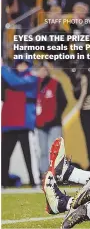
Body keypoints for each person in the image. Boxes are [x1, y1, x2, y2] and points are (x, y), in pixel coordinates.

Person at [2, 58, 37, 187]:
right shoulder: (7, 78)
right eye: (19, 64)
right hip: (9, 124)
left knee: (29, 156)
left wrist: (2, 67)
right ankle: (3, 183)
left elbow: (16, 83)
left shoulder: (31, 79)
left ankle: (34, 182)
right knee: (4, 155)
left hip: (24, 123)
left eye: (24, 64)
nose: (21, 66)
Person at [36, 63, 67, 176]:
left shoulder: (55, 84)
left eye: (44, 70)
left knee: (55, 151)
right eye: (40, 70)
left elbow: (64, 101)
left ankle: (57, 174)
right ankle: (44, 174)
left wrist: (56, 116)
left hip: (54, 123)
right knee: (43, 151)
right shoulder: (35, 85)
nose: (42, 73)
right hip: (39, 124)